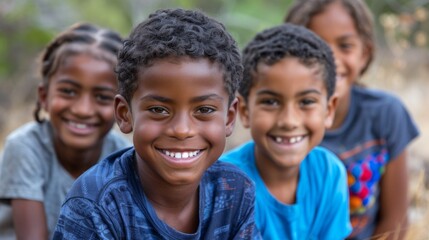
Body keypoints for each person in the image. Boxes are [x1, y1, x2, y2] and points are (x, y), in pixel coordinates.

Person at [53, 8, 261, 240]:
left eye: (204, 110)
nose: (182, 130)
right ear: (124, 114)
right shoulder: (96, 204)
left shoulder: (234, 189)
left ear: (229, 118)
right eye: (158, 110)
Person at [285, 0, 420, 239]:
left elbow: (395, 219)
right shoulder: (283, 125)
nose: (331, 59)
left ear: (364, 54)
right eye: (316, 46)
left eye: (345, 46)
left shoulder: (386, 114)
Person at [0, 23, 131, 240]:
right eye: (68, 91)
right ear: (44, 96)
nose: (82, 110)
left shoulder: (124, 158)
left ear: (121, 108)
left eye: (102, 97)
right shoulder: (25, 148)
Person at [220, 23, 351, 239]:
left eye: (306, 101)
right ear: (244, 111)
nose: (289, 121)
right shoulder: (225, 183)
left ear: (329, 110)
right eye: (270, 102)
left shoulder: (329, 174)